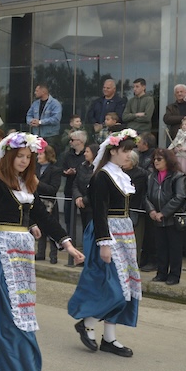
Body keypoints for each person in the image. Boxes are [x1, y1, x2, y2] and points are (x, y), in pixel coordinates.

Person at [0, 132, 82, 371]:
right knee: (13, 316)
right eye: (19, 156)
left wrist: (67, 244)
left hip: (21, 256)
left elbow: (43, 216)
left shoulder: (27, 184)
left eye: (28, 157)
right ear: (8, 157)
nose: (24, 161)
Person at [68, 129, 142, 358]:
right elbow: (99, 212)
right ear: (113, 151)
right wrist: (105, 243)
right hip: (108, 232)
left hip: (124, 232)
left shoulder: (121, 174)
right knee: (112, 286)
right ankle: (87, 323)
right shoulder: (102, 176)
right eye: (125, 150)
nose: (129, 154)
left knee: (125, 286)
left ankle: (109, 337)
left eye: (130, 150)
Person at [145, 148, 186, 285]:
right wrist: (151, 210)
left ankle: (174, 275)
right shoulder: (151, 176)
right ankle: (161, 273)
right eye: (154, 159)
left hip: (173, 218)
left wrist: (163, 213)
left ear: (168, 160)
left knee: (174, 248)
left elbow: (180, 196)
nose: (156, 162)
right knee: (160, 247)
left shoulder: (178, 176)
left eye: (159, 159)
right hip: (156, 218)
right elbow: (146, 196)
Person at [35, 144, 62, 264]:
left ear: (47, 155)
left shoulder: (55, 170)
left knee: (51, 227)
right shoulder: (35, 169)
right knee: (40, 227)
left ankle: (53, 255)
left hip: (50, 204)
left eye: (41, 154)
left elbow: (53, 189)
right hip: (37, 202)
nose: (38, 156)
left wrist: (38, 183)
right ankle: (40, 253)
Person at [61, 130, 87, 238]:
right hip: (69, 188)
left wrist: (77, 172)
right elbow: (61, 168)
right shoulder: (67, 154)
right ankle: (70, 239)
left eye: (72, 140)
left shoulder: (86, 154)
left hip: (83, 190)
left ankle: (85, 241)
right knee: (68, 218)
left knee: (85, 218)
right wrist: (66, 172)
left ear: (80, 141)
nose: (70, 142)